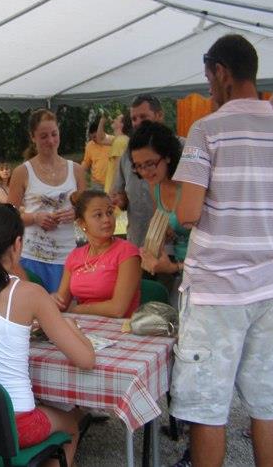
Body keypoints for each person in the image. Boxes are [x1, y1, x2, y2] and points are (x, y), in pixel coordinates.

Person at [171, 34, 273, 467]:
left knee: (207, 405)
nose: (208, 90)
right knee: (269, 399)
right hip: (270, 286)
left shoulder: (207, 129)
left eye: (208, 79)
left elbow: (187, 211)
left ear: (221, 72)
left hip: (216, 290)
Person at [0, 204, 95, 465]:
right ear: (17, 244)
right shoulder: (29, 293)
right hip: (15, 423)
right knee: (73, 423)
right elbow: (86, 359)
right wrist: (69, 326)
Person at [8, 109, 86, 292]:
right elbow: (8, 217)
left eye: (54, 134)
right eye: (43, 136)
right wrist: (35, 218)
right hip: (32, 256)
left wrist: (76, 213)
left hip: (68, 256)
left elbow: (88, 210)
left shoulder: (77, 170)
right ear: (33, 137)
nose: (50, 141)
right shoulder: (22, 172)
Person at [128, 121, 189, 308]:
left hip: (201, 276)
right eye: (138, 166)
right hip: (179, 274)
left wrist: (173, 268)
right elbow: (167, 227)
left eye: (150, 164)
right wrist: (163, 235)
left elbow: (211, 253)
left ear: (168, 156)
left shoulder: (189, 188)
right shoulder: (156, 186)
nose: (145, 172)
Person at [53, 191, 141, 318]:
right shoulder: (75, 256)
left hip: (118, 330)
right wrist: (52, 300)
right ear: (82, 223)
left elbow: (118, 309)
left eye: (110, 213)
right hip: (83, 327)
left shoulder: (127, 252)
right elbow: (61, 303)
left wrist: (78, 309)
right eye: (98, 215)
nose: (106, 219)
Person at [109, 94, 165, 248]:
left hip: (173, 248)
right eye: (134, 119)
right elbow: (121, 197)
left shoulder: (181, 148)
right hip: (138, 243)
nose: (138, 123)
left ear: (159, 115)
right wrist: (120, 200)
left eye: (143, 117)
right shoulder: (127, 156)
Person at [103, 112, 132, 195]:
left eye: (117, 119)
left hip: (114, 193)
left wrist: (112, 192)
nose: (114, 119)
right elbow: (100, 139)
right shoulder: (121, 139)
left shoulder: (120, 141)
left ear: (122, 125)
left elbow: (118, 169)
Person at [81, 119, 111, 191]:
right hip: (97, 183)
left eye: (95, 136)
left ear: (101, 131)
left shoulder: (112, 141)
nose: (93, 139)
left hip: (112, 182)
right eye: (92, 138)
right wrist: (78, 170)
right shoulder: (89, 146)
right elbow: (86, 163)